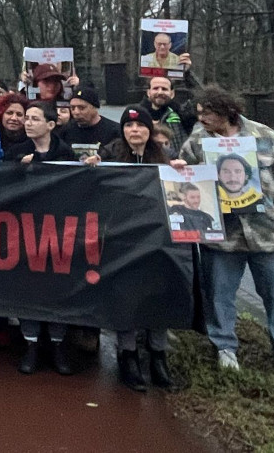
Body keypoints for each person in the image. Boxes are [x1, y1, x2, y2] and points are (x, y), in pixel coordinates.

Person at [179, 87, 274, 378]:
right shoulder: (197, 142)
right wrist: (181, 171)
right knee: (219, 296)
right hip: (223, 238)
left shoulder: (267, 137)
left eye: (207, 113)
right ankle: (224, 347)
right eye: (199, 113)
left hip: (269, 236)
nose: (201, 118)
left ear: (228, 112)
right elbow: (185, 181)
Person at [83, 106, 176, 391]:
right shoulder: (109, 154)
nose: (134, 131)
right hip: (120, 238)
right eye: (128, 127)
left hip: (156, 238)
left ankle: (158, 354)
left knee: (157, 294)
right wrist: (91, 167)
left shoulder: (163, 157)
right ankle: (128, 354)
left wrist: (179, 173)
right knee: (126, 295)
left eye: (140, 127)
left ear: (149, 130)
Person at [1, 102, 75, 374]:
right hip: (24, 230)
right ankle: (30, 344)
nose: (28, 123)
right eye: (27, 118)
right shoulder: (16, 152)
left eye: (34, 118)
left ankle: (57, 344)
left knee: (57, 288)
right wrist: (17, 169)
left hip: (57, 231)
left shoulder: (66, 154)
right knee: (28, 287)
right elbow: (1, 188)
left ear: (51, 124)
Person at [58, 86, 120, 153]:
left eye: (81, 108)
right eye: (73, 108)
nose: (76, 112)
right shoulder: (65, 131)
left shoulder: (114, 131)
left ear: (94, 108)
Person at [139, 76, 185, 152]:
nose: (160, 92)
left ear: (172, 93)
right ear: (148, 92)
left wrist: (187, 74)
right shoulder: (138, 115)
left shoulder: (182, 113)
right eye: (155, 88)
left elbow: (196, 99)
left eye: (164, 89)